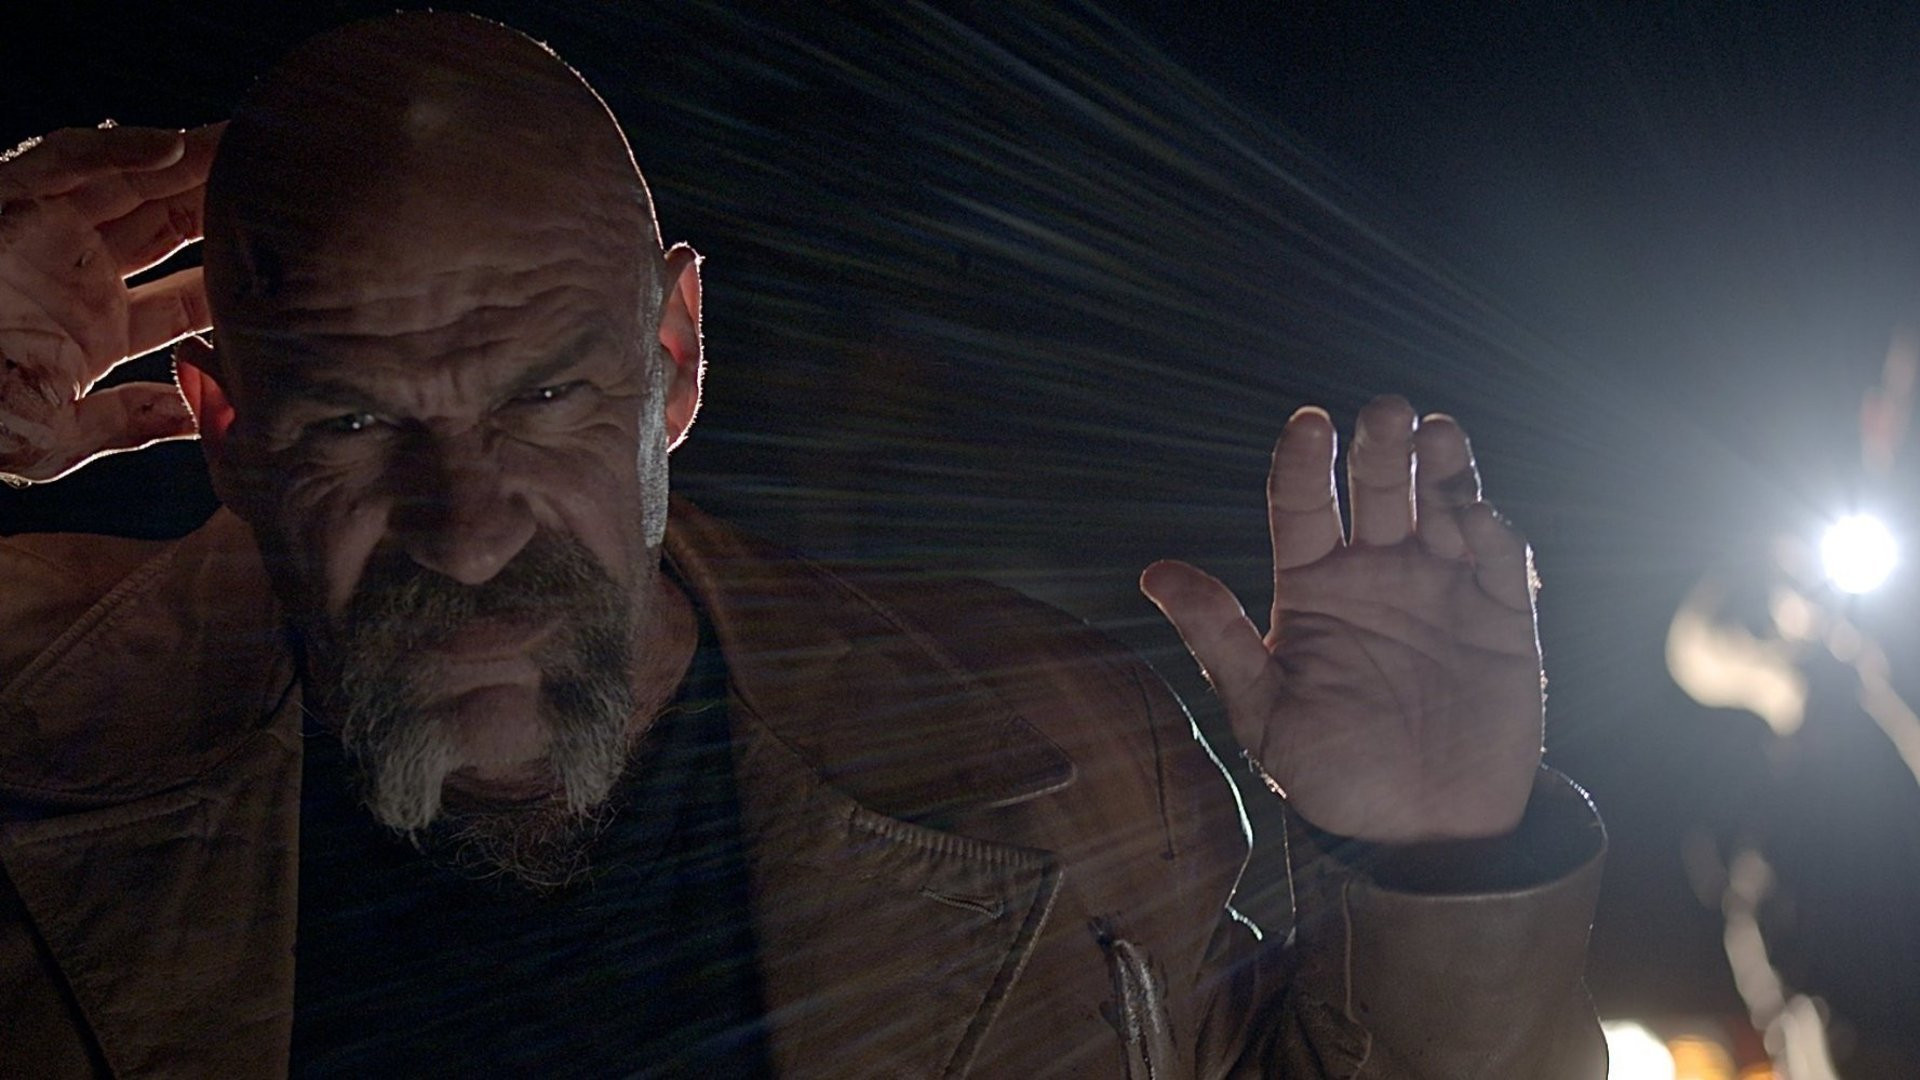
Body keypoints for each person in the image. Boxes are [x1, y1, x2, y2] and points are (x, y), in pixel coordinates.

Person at [0, 12, 1605, 1077]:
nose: (469, 532)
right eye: (354, 423)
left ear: (675, 357)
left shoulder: (1062, 759)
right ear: (223, 427)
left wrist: (1451, 862)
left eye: (545, 397)